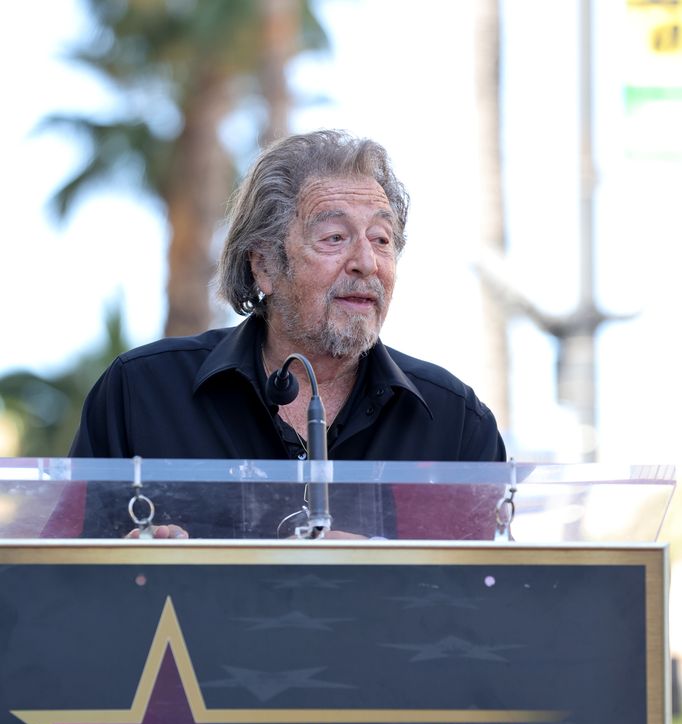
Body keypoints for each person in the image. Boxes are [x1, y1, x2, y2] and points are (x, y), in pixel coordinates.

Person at [69, 129, 506, 538]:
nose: (366, 262)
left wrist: (383, 574)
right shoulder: (142, 393)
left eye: (382, 239)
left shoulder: (456, 424)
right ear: (264, 265)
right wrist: (131, 568)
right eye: (335, 237)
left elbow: (499, 602)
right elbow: (54, 587)